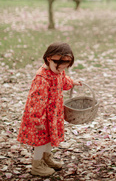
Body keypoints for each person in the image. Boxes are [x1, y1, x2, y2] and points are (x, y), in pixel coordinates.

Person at [17, 42, 82, 176]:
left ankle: (46, 158)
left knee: (49, 138)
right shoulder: (42, 78)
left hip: (53, 114)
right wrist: (38, 119)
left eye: (64, 68)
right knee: (41, 140)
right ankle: (37, 164)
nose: (61, 70)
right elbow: (36, 101)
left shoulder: (58, 71)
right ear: (49, 59)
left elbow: (63, 80)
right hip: (41, 116)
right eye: (59, 68)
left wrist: (72, 82)